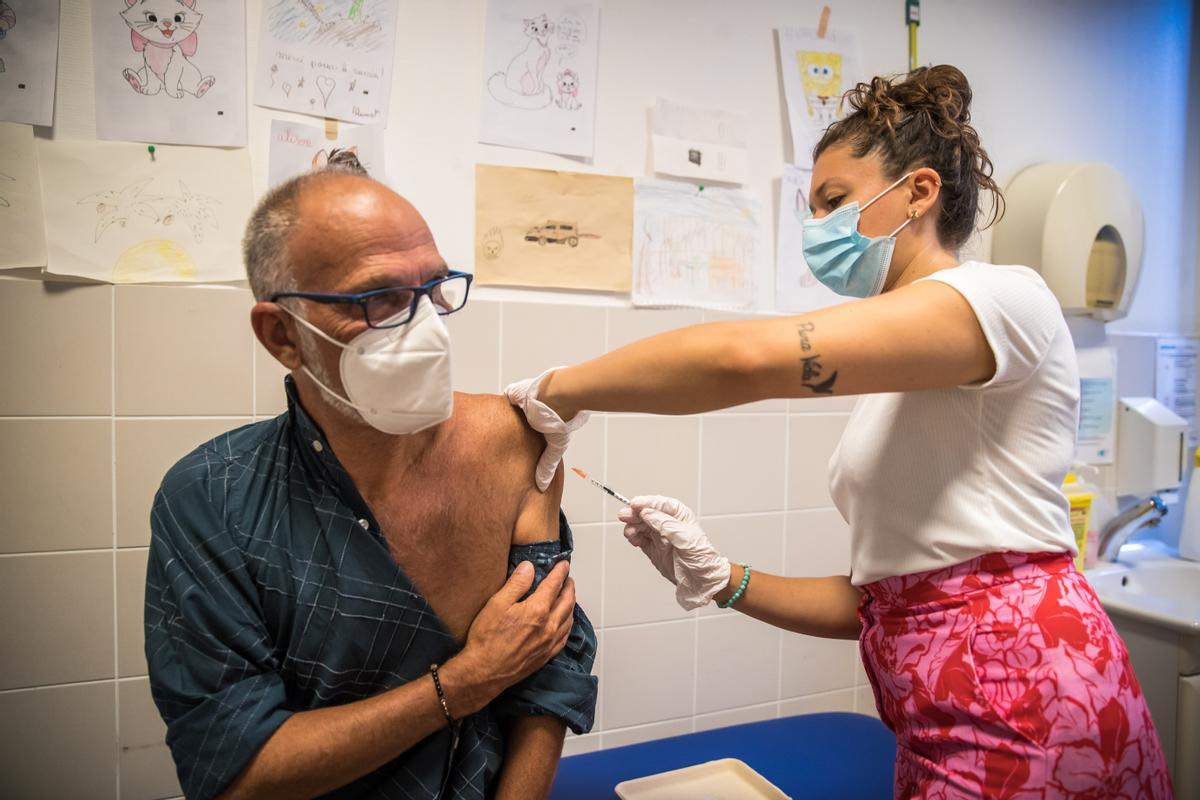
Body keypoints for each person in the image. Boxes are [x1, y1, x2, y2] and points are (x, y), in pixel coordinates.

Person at [506, 66, 1172, 798]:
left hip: (1031, 698)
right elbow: (888, 602)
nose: (818, 230)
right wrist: (723, 577)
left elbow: (741, 360)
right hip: (937, 709)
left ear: (920, 192)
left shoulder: (1003, 297)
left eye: (834, 202)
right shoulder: (903, 386)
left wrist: (556, 391)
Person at [144, 151, 597, 800]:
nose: (425, 327)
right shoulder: (212, 499)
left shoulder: (515, 442)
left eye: (435, 288)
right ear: (282, 335)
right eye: (378, 298)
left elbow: (547, 669)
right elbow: (237, 773)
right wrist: (463, 683)